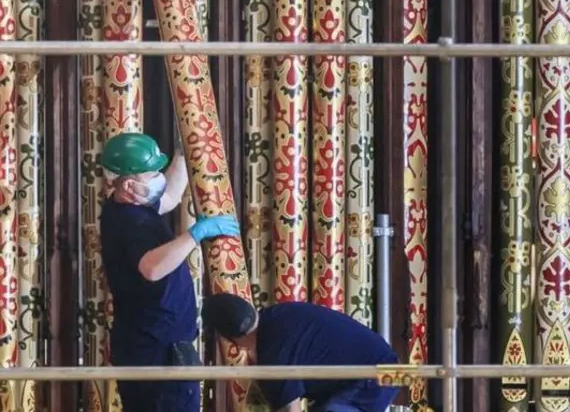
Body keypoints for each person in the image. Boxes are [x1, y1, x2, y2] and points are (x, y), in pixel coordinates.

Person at [100, 132, 241, 412]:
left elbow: (172, 195)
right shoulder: (130, 223)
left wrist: (183, 150)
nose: (158, 179)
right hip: (156, 352)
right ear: (129, 184)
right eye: (151, 174)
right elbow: (151, 268)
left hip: (155, 345)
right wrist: (196, 234)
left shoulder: (124, 206)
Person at [201, 293, 399, 412]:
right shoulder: (277, 315)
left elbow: (290, 409)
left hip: (375, 377)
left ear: (228, 339)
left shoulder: (273, 357)